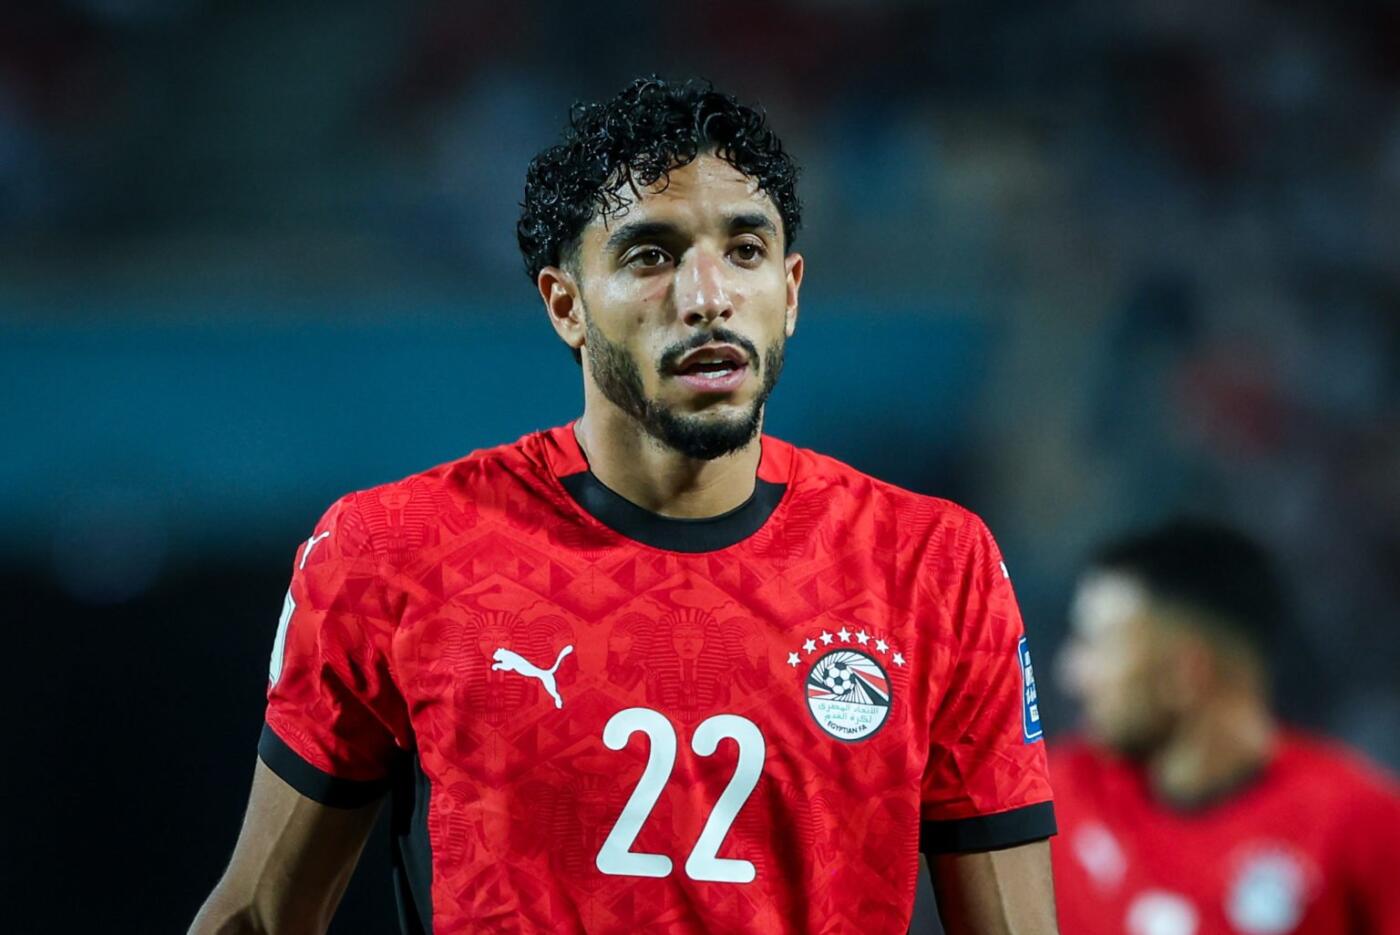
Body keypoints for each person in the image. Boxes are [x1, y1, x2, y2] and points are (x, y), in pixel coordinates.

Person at [190, 76, 1059, 935]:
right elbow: (261, 914)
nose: (708, 297)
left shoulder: (931, 565)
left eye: (745, 250)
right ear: (565, 305)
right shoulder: (396, 549)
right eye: (651, 256)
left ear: (791, 291)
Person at [1051, 520, 1400, 935]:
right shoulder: (1054, 799)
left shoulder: (1359, 825)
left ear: (1184, 671)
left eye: (1098, 644)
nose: (1071, 675)